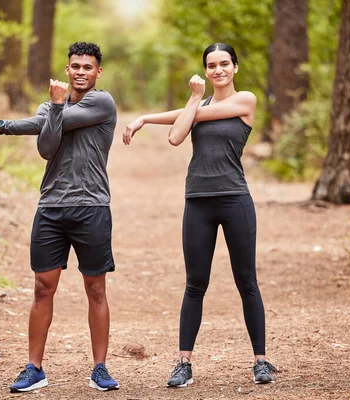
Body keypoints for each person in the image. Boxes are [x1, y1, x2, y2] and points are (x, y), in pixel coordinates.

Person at [122, 42, 277, 386]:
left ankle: (261, 361)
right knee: (195, 284)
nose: (218, 70)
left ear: (235, 67)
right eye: (211, 65)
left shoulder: (245, 101)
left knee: (246, 281)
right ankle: (184, 364)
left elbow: (185, 123)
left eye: (224, 63)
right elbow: (178, 134)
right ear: (205, 70)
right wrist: (145, 118)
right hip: (198, 200)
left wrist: (191, 101)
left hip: (235, 198)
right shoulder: (199, 104)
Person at [0, 42, 120, 392]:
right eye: (75, 66)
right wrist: (52, 108)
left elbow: (57, 121)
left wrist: (1, 125)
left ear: (98, 72)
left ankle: (99, 368)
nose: (81, 72)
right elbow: (46, 147)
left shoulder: (102, 102)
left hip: (92, 207)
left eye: (88, 67)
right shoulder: (49, 107)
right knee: (42, 288)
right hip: (51, 208)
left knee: (95, 288)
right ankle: (34, 368)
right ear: (66, 70)